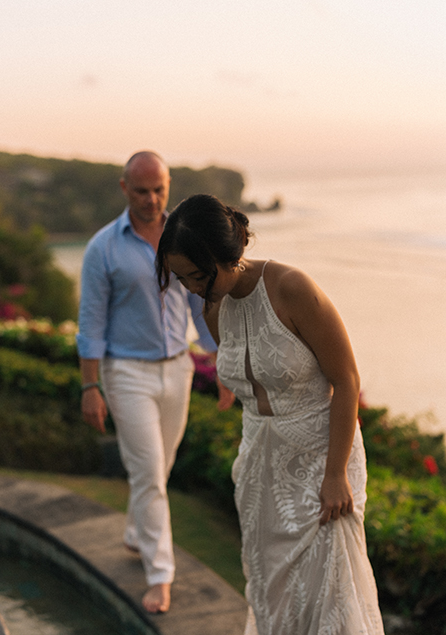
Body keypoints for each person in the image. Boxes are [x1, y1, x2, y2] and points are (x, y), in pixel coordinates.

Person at [155, 194, 384, 634]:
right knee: (273, 592)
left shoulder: (291, 288)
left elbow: (347, 379)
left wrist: (335, 474)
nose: (191, 288)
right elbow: (250, 374)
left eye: (197, 276)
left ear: (226, 256)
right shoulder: (214, 307)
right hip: (262, 464)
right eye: (181, 279)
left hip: (322, 460)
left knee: (331, 592)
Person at [76, 151, 221, 614]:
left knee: (161, 466)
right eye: (141, 190)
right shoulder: (103, 247)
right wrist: (90, 387)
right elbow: (90, 322)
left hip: (178, 368)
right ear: (124, 188)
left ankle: (137, 533)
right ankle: (161, 574)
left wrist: (222, 368)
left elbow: (201, 306)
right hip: (126, 374)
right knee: (148, 472)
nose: (152, 199)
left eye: (159, 189)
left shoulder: (185, 239)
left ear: (168, 185)